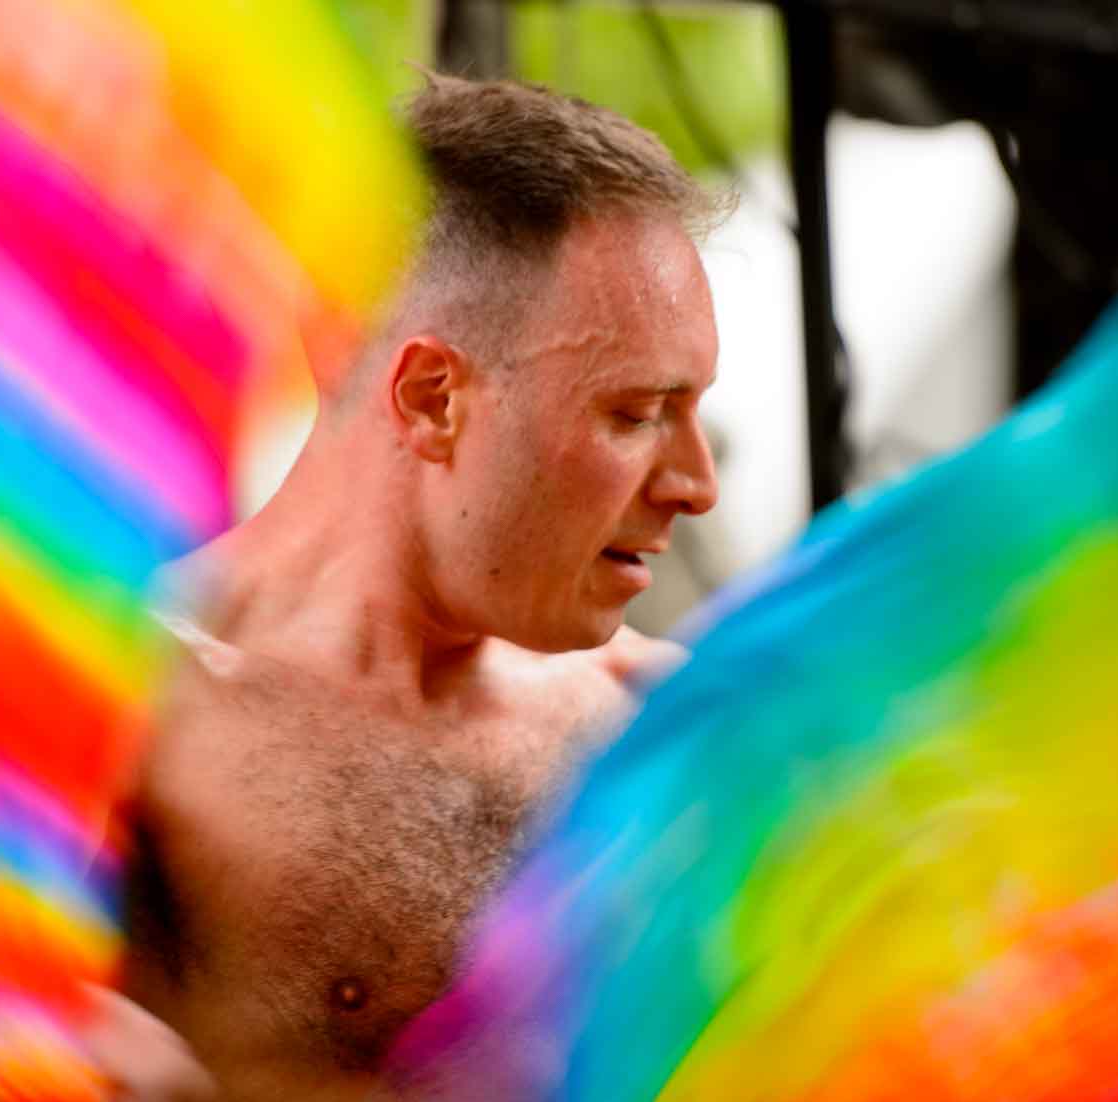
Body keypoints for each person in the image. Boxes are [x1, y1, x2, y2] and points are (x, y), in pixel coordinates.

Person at [113, 74, 725, 1100]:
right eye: (635, 413)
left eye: (692, 410)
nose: (694, 485)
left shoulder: (656, 724)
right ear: (432, 398)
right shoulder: (128, 716)